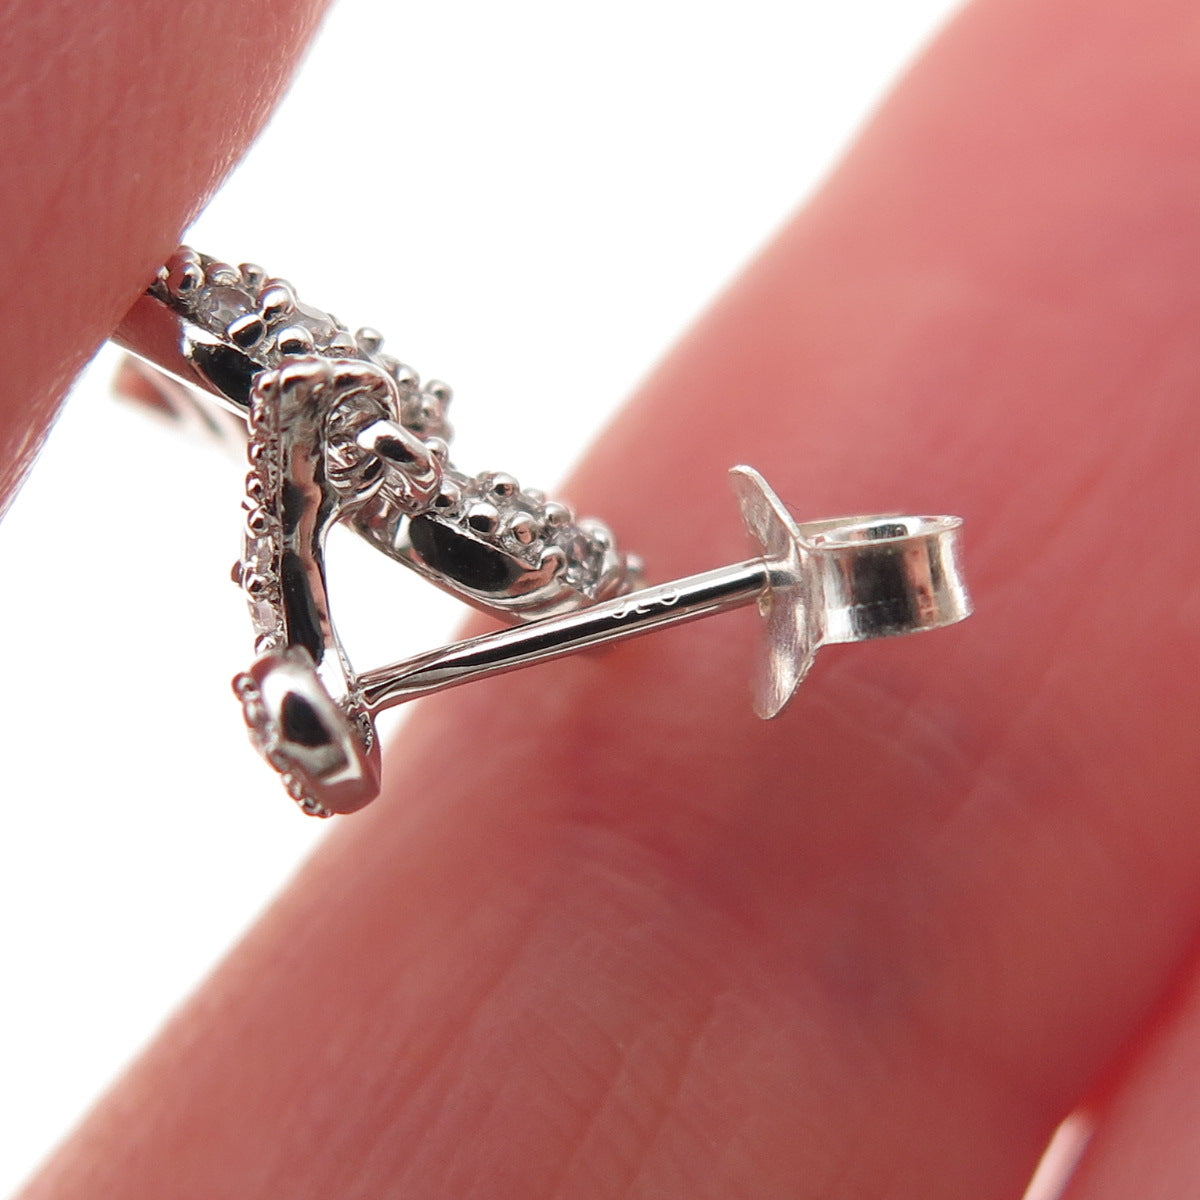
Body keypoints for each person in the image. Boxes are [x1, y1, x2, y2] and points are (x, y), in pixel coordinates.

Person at [4, 0, 1198, 1195]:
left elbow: (324, 469)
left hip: (470, 521)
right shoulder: (321, 432)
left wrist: (298, 526)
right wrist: (290, 516)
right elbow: (301, 442)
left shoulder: (429, 501)